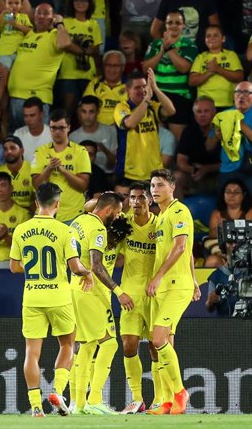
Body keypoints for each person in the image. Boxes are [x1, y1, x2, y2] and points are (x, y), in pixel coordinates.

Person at [9, 182, 94, 417]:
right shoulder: (65, 231)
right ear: (58, 204)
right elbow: (75, 267)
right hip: (59, 296)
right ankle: (57, 390)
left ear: (36, 203)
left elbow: (14, 267)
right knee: (68, 344)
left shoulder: (20, 230)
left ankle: (36, 406)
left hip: (32, 297)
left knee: (31, 353)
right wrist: (87, 273)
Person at [69, 192, 132, 415]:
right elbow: (96, 264)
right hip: (92, 290)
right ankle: (94, 399)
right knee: (109, 343)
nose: (117, 217)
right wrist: (119, 291)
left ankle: (78, 404)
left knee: (85, 345)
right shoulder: (98, 229)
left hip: (75, 289)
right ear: (108, 211)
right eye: (115, 213)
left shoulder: (80, 220)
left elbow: (91, 205)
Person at [145, 168, 199, 415]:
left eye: (160, 185)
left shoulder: (179, 211)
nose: (154, 190)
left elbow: (180, 247)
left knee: (158, 340)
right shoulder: (162, 215)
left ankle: (179, 391)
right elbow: (189, 253)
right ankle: (167, 401)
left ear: (172, 187)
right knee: (164, 343)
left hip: (174, 286)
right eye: (152, 186)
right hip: (165, 287)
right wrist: (197, 280)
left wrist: (157, 277)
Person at [207, 81, 252, 241]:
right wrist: (217, 135)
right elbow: (208, 146)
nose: (241, 96)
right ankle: (222, 255)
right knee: (221, 213)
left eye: (246, 93)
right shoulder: (223, 115)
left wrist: (241, 124)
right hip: (228, 170)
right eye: (238, 92)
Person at [115, 182, 159, 414]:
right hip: (129, 294)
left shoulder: (159, 224)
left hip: (154, 294)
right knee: (129, 346)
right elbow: (91, 205)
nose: (136, 202)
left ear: (150, 201)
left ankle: (161, 398)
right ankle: (137, 399)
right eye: (132, 198)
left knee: (156, 347)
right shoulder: (124, 224)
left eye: (141, 198)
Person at [7, 3, 71, 130]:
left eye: (46, 13)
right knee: (18, 144)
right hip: (15, 96)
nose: (41, 16)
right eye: (38, 13)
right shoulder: (30, 34)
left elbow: (66, 44)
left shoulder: (54, 35)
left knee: (38, 144)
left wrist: (59, 24)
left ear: (53, 17)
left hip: (37, 99)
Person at [143, 10, 198, 140]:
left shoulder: (189, 45)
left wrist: (169, 49)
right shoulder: (155, 44)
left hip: (179, 96)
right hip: (156, 94)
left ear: (183, 25)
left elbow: (184, 68)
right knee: (155, 137)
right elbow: (146, 68)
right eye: (170, 22)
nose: (173, 25)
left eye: (178, 23)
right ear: (165, 25)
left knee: (177, 139)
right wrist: (162, 51)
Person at [114, 69, 175, 183]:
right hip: (129, 172)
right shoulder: (122, 107)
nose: (142, 90)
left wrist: (155, 89)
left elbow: (171, 110)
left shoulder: (152, 106)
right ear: (128, 90)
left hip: (154, 171)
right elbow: (131, 123)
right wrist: (147, 99)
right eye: (137, 87)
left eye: (144, 86)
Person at [32, 109, 92, 223]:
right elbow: (36, 185)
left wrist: (62, 170)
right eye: (53, 128)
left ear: (68, 127)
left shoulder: (81, 151)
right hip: (46, 214)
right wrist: (49, 169)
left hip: (73, 215)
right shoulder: (40, 152)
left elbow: (83, 185)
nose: (57, 132)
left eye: (61, 128)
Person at [58, 0, 102, 119]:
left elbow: (96, 50)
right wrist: (83, 50)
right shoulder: (64, 22)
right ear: (71, 2)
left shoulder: (93, 24)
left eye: (84, 0)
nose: (80, 2)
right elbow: (62, 44)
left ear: (90, 3)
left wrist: (75, 47)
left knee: (86, 111)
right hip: (68, 73)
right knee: (68, 110)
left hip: (88, 74)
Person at [150, 0, 219, 48]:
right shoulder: (167, 1)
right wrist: (167, 49)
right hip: (175, 52)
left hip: (201, 52)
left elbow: (215, 27)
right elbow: (154, 30)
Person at [204, 179, 252, 268]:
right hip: (221, 253)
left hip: (244, 252)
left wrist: (225, 228)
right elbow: (212, 234)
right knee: (211, 261)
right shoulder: (216, 213)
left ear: (244, 195)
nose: (231, 195)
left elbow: (251, 232)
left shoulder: (251, 212)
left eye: (236, 192)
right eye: (228, 192)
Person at [174, 96, 221, 199]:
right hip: (194, 175)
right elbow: (181, 160)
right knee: (176, 177)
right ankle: (179, 213)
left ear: (214, 112)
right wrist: (192, 170)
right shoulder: (188, 131)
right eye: (199, 112)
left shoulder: (222, 130)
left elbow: (228, 164)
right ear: (194, 115)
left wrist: (206, 169)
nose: (202, 115)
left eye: (206, 111)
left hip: (217, 175)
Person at [188, 25, 244, 110]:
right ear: (205, 40)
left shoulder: (231, 55)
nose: (212, 38)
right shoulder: (200, 57)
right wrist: (210, 72)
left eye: (215, 35)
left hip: (227, 104)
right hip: (205, 107)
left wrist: (218, 69)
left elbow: (239, 77)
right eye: (208, 36)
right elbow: (192, 81)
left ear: (223, 39)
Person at [0, 0, 31, 103]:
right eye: (10, 3)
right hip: (5, 54)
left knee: (11, 84)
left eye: (16, 3)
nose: (13, 6)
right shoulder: (2, 16)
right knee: (3, 81)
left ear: (22, 5)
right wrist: (3, 14)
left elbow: (29, 31)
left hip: (19, 54)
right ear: (5, 4)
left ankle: (5, 110)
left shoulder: (24, 18)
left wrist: (16, 24)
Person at [69, 95, 117, 175]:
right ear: (79, 112)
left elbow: (113, 165)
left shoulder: (111, 132)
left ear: (98, 112)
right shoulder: (73, 137)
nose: (87, 116)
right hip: (82, 177)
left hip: (106, 177)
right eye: (84, 111)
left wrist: (104, 150)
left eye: (91, 112)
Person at [0, 135, 36, 212]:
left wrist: (21, 212)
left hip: (28, 215)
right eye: (5, 149)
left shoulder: (33, 170)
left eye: (12, 148)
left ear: (22, 151)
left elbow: (40, 202)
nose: (9, 152)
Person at [83, 50, 128, 126]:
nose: (111, 69)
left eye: (116, 66)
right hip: (97, 129)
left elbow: (135, 111)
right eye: (108, 65)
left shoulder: (130, 85)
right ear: (103, 66)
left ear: (122, 67)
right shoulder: (95, 84)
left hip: (121, 129)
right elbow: (85, 108)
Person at [12, 97, 53, 163]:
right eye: (25, 116)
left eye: (32, 115)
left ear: (41, 115)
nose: (28, 119)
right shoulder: (18, 134)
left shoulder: (53, 135)